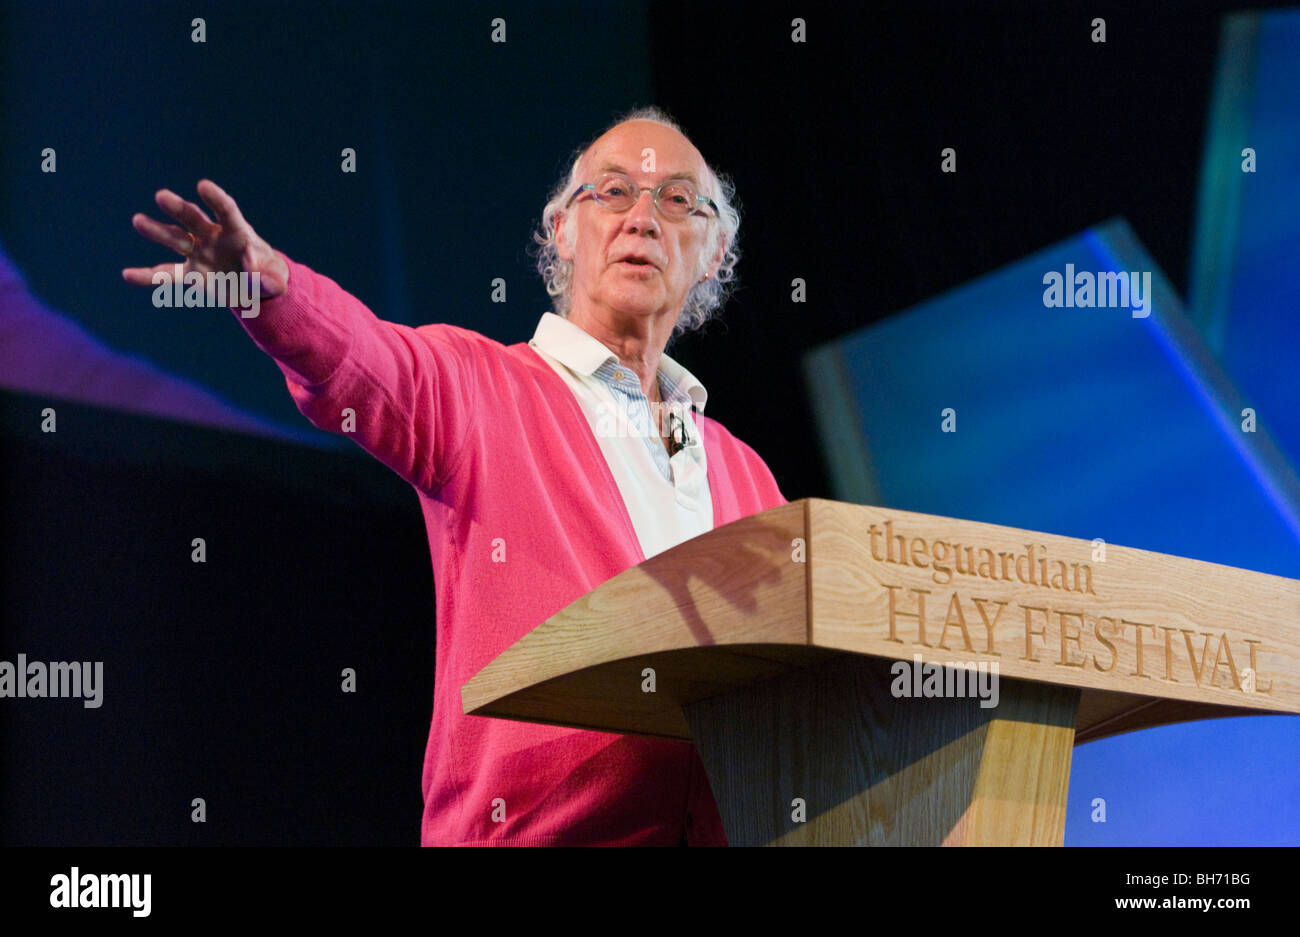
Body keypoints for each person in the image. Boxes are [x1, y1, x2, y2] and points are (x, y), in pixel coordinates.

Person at [122, 106, 787, 845]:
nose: (642, 218)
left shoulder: (745, 472)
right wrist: (271, 289)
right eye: (612, 192)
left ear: (714, 249)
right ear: (563, 231)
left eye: (676, 200)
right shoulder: (478, 388)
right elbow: (367, 363)